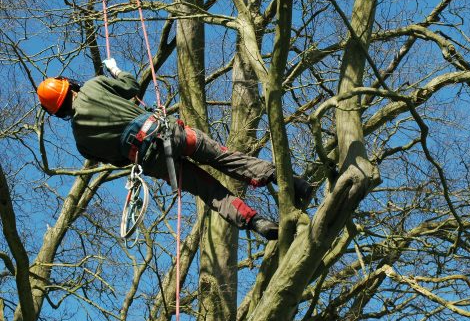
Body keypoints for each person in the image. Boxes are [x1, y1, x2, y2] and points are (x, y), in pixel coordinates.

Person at [36, 58, 312, 240]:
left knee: (210, 192)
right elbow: (131, 85)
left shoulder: (82, 142)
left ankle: (255, 223)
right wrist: (116, 70)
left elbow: (119, 160)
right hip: (170, 133)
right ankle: (291, 181)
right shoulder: (94, 86)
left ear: (58, 112)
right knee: (224, 158)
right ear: (69, 85)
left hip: (154, 162)